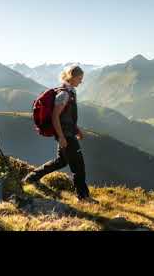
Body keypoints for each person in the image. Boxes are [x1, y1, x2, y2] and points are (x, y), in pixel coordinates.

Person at [22, 65, 97, 204]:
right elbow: (55, 116)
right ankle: (83, 197)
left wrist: (77, 129)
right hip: (65, 135)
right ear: (72, 77)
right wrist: (62, 137)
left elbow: (66, 117)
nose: (81, 82)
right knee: (78, 166)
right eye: (79, 79)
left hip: (67, 133)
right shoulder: (64, 94)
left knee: (61, 161)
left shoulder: (69, 91)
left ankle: (31, 178)